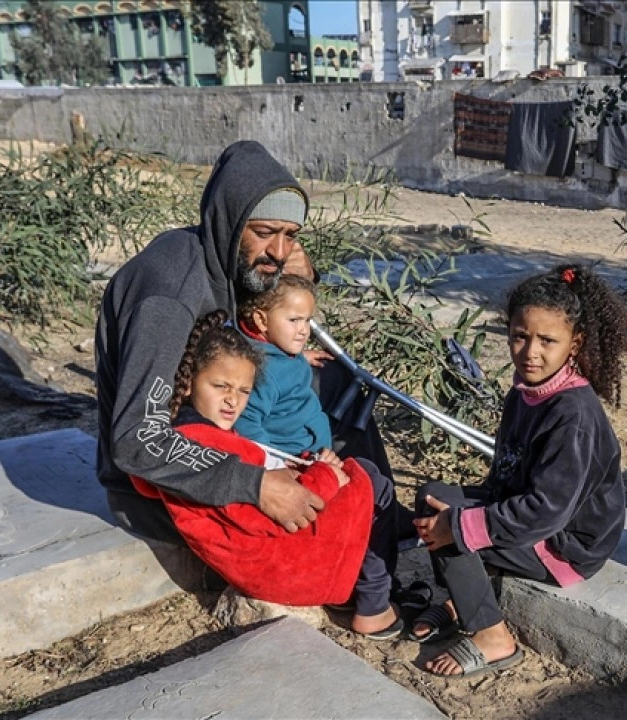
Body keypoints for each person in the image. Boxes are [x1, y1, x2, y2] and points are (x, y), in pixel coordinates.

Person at [95, 139, 393, 549]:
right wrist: (257, 485)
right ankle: (362, 550)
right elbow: (136, 440)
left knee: (335, 381)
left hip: (217, 427)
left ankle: (381, 518)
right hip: (154, 491)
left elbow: (256, 316)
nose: (280, 250)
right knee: (318, 514)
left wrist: (297, 279)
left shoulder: (223, 258)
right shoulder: (169, 297)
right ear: (231, 221)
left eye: (291, 235)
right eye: (266, 232)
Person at [409, 264, 627, 677]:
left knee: (452, 527)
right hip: (528, 518)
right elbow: (505, 473)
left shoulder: (573, 415)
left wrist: (462, 527)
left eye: (547, 340)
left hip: (565, 544)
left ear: (575, 344)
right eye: (520, 336)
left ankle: (491, 634)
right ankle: (461, 598)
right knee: (433, 498)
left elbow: (547, 510)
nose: (530, 352)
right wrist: (462, 516)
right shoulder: (525, 390)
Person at [128, 311, 401, 636]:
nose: (233, 400)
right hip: (281, 567)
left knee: (360, 478)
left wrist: (309, 469)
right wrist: (325, 478)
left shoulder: (185, 439)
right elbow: (264, 516)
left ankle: (364, 585)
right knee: (367, 483)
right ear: (187, 384)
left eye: (244, 391)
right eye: (220, 386)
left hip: (266, 557)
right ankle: (373, 603)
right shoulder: (206, 444)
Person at [232, 276, 407, 631]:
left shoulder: (276, 354)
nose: (303, 331)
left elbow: (280, 365)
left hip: (313, 459)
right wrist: (285, 471)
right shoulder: (261, 371)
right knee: (375, 494)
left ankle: (360, 588)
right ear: (261, 320)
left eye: (308, 321)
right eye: (294, 321)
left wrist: (298, 359)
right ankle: (374, 604)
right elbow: (250, 431)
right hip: (301, 467)